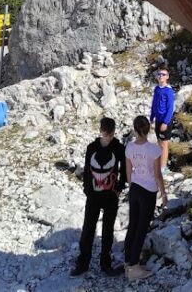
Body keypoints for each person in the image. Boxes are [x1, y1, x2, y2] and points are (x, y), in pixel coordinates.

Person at [72, 117, 126, 278]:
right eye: (106, 133)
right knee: (88, 229)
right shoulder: (91, 148)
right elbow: (87, 171)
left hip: (110, 196)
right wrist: (87, 189)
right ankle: (83, 263)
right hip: (93, 196)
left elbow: (124, 169)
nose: (108, 137)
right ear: (101, 131)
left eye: (111, 134)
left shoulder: (118, 148)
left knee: (107, 231)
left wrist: (119, 187)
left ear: (114, 132)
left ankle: (105, 264)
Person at [124, 115, 167, 281]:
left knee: (132, 226)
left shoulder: (129, 147)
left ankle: (128, 263)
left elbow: (128, 172)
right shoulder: (154, 149)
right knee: (141, 229)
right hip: (148, 191)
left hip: (134, 188)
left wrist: (132, 186)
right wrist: (163, 194)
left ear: (135, 130)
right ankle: (134, 268)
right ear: (149, 129)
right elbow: (157, 175)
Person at [149, 65, 175, 171]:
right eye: (159, 74)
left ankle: (163, 167)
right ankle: (160, 163)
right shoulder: (156, 89)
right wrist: (151, 118)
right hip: (157, 120)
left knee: (164, 144)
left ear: (167, 77)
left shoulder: (169, 91)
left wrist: (165, 122)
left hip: (165, 121)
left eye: (163, 74)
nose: (161, 76)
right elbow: (154, 104)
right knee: (159, 142)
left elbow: (170, 108)